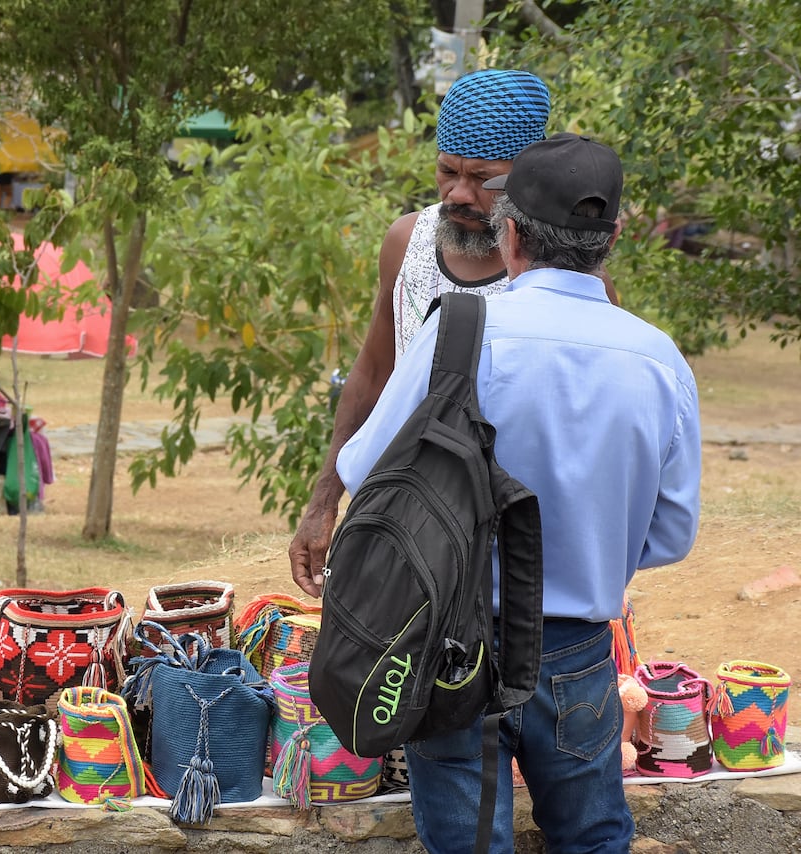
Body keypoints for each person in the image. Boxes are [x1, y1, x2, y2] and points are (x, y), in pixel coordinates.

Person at [334, 134, 702, 852]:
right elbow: (671, 536)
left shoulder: (462, 334)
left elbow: (363, 470)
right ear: (614, 237)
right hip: (579, 656)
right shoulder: (659, 359)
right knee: (593, 839)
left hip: (449, 644)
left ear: (509, 232)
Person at [289, 68, 619, 597]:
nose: (458, 194)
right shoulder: (407, 243)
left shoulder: (571, 278)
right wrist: (325, 500)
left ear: (526, 177)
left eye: (484, 180)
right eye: (447, 172)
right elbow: (374, 376)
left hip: (519, 557)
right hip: (404, 532)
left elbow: (591, 430)